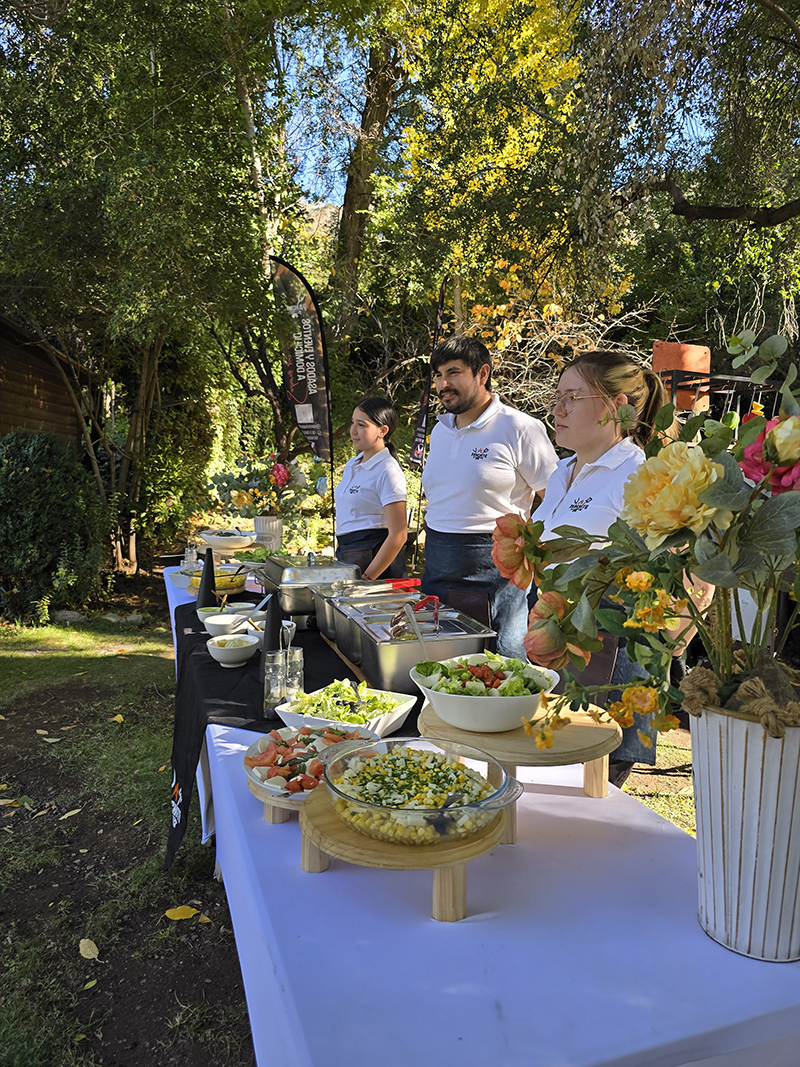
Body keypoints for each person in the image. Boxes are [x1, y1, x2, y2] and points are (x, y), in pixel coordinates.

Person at [532, 350, 677, 786]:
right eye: (557, 397)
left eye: (573, 397)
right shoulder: (561, 472)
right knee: (550, 784)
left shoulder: (641, 474)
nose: (557, 409)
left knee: (593, 793)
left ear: (616, 406)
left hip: (614, 658)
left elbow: (675, 574)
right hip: (565, 646)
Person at [421, 336, 558, 659]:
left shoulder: (520, 427)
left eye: (453, 373)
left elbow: (556, 499)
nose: (443, 384)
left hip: (498, 571)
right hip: (438, 564)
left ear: (482, 374)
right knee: (440, 664)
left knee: (506, 666)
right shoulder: (439, 431)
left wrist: (527, 550)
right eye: (438, 376)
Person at [334, 397, 408, 580]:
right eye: (353, 423)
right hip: (348, 557)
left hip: (375, 567)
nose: (353, 431)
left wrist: (367, 579)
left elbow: (398, 535)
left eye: (361, 425)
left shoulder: (387, 470)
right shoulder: (352, 464)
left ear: (382, 431)